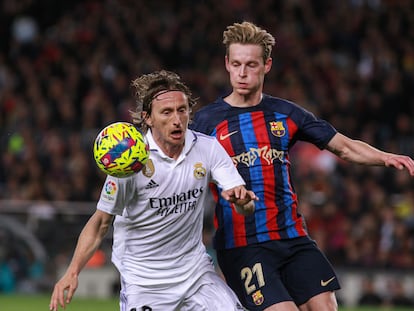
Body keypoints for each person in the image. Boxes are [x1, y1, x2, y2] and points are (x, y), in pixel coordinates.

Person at [190, 21, 414, 311]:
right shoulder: (205, 123)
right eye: (236, 64)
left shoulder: (287, 114)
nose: (242, 73)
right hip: (243, 245)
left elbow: (343, 146)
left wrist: (385, 157)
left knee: (326, 307)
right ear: (226, 64)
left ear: (267, 65)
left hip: (293, 237)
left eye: (251, 64)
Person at [49, 70, 257, 311]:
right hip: (144, 283)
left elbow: (246, 205)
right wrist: (72, 272)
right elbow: (100, 224)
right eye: (167, 112)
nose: (177, 119)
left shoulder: (208, 148)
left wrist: (242, 203)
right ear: (148, 118)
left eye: (182, 110)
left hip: (196, 276)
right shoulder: (130, 160)